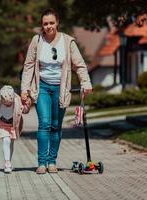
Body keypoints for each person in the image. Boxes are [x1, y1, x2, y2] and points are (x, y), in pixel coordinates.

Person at [21, 8, 92, 174]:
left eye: (51, 23)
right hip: (42, 87)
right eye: (45, 23)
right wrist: (25, 89)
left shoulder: (68, 42)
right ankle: (41, 162)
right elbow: (28, 66)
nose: (48, 26)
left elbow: (79, 65)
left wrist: (86, 82)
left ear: (57, 23)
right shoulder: (37, 41)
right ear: (42, 25)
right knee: (44, 124)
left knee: (56, 125)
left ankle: (52, 161)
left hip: (61, 89)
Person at [0, 83, 31, 173]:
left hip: (12, 125)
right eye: (6, 103)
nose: (8, 104)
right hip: (2, 124)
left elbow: (25, 110)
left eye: (10, 103)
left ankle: (9, 160)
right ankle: (7, 163)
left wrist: (27, 101)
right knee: (6, 140)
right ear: (1, 99)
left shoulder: (17, 100)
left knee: (11, 143)